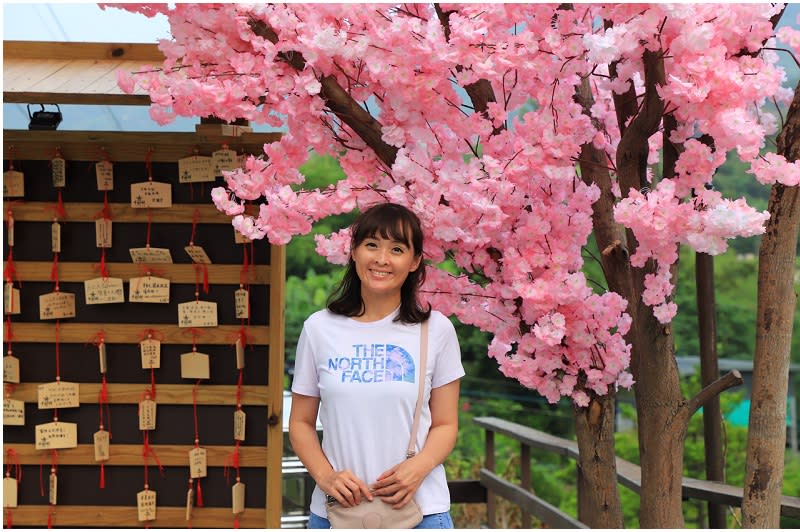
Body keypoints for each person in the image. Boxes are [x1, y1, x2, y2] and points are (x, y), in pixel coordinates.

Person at [289, 202, 464, 529]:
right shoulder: (319, 329)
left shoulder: (436, 330)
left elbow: (445, 424)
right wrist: (327, 478)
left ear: (414, 262)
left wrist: (419, 467)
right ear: (354, 252)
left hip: (420, 511)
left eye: (396, 249)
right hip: (336, 513)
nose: (382, 259)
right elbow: (300, 422)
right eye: (371, 245)